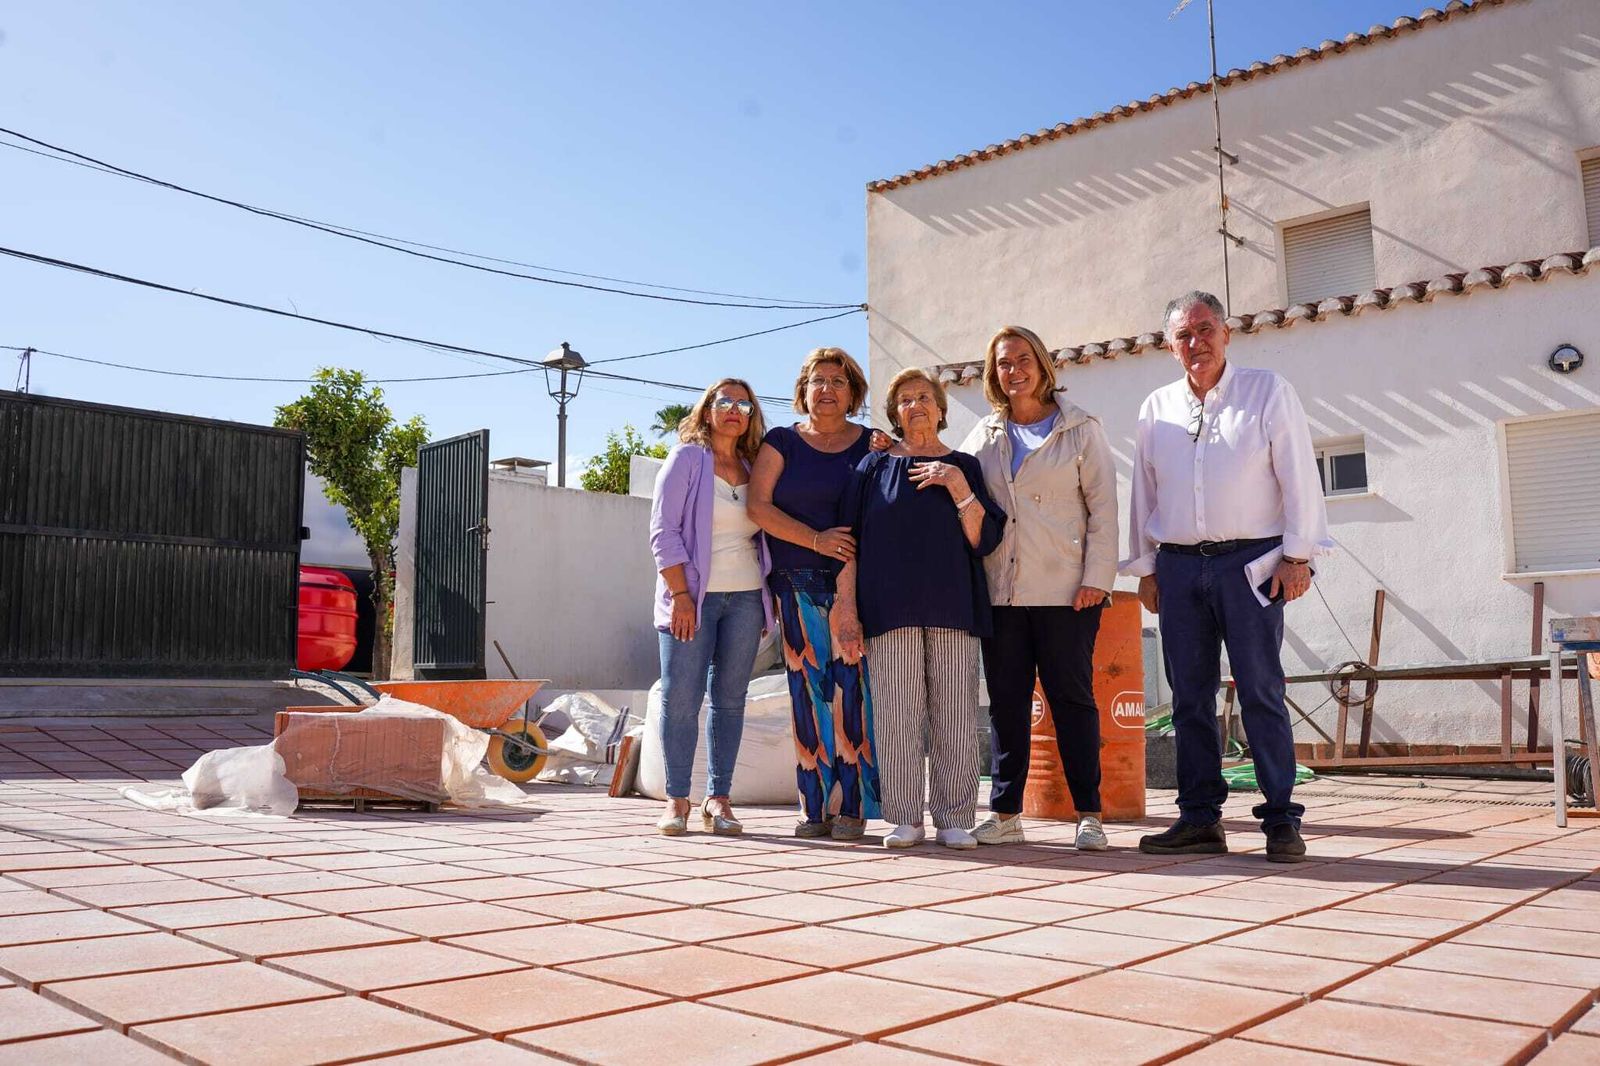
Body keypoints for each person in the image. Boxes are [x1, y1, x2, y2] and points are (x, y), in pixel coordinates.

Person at [1122, 291, 1330, 863]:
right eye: (1184, 335)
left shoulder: (1267, 391)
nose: (1196, 343)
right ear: (1170, 346)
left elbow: (1298, 477)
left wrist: (1299, 554)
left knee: (1261, 690)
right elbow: (1144, 492)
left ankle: (1282, 820)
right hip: (1180, 566)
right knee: (1189, 697)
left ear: (1227, 333)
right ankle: (1199, 819)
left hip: (1252, 564)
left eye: (1205, 329)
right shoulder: (1155, 407)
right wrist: (1144, 566)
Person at [958, 326, 1119, 851]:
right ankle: (1005, 814)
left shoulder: (1080, 429)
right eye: (1003, 364)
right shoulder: (983, 435)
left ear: (1042, 365)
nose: (1014, 371)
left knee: (1072, 701)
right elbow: (952, 483)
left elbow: (1104, 510)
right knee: (1006, 705)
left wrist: (1097, 579)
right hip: (1002, 593)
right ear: (993, 373)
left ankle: (1089, 815)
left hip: (1067, 592)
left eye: (1022, 359)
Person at [834, 368, 1005, 849]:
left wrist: (955, 485)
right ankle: (904, 816)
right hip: (888, 611)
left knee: (954, 714)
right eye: (905, 399)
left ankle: (954, 817)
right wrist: (847, 607)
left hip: (954, 607)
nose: (916, 405)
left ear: (941, 409)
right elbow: (848, 544)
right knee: (897, 714)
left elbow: (983, 538)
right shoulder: (873, 468)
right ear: (895, 413)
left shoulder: (965, 466)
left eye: (925, 397)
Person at [747, 347, 883, 839]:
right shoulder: (781, 441)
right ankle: (813, 809)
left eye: (838, 382)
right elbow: (758, 508)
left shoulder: (873, 444)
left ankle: (852, 810)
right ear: (803, 391)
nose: (827, 389)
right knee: (808, 693)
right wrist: (816, 540)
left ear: (854, 394)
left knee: (854, 694)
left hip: (858, 586)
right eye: (817, 381)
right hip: (797, 583)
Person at [648, 379, 773, 837]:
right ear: (708, 410)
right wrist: (680, 596)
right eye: (725, 401)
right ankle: (676, 799)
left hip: (745, 600)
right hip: (691, 601)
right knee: (680, 699)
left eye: (744, 403)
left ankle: (718, 798)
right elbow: (664, 532)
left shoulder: (753, 464)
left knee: (731, 701)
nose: (734, 410)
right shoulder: (687, 460)